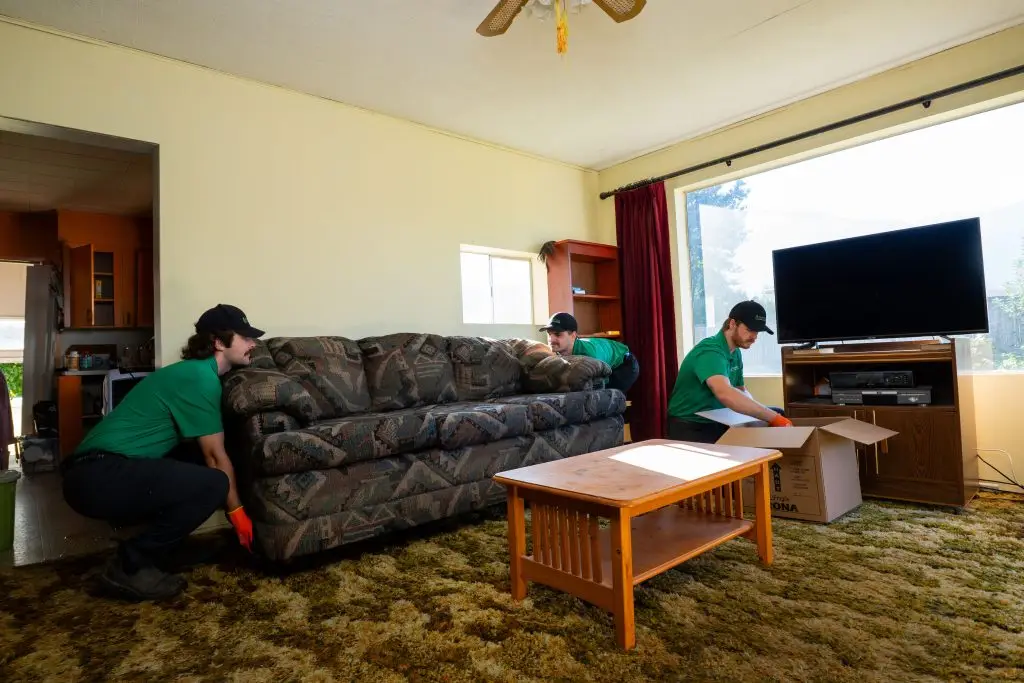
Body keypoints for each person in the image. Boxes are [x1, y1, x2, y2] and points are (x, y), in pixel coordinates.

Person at [61, 304, 265, 601]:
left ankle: (167, 549)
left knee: (197, 461)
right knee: (215, 481)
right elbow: (215, 457)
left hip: (98, 472)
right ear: (219, 342)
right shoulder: (199, 377)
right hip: (96, 475)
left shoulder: (194, 373)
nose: (253, 343)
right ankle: (131, 563)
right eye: (245, 337)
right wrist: (238, 515)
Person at [666, 300, 792, 443]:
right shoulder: (710, 351)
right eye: (750, 330)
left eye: (757, 332)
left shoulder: (735, 352)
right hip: (691, 423)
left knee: (778, 412)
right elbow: (725, 393)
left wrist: (759, 416)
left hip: (720, 419)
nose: (754, 337)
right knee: (772, 418)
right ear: (732, 324)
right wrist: (773, 418)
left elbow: (740, 390)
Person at [540, 312, 639, 393]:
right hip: (604, 361)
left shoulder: (590, 355)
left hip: (624, 364)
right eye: (549, 334)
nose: (551, 339)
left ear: (573, 335)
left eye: (558, 334)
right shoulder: (556, 352)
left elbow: (599, 381)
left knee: (603, 395)